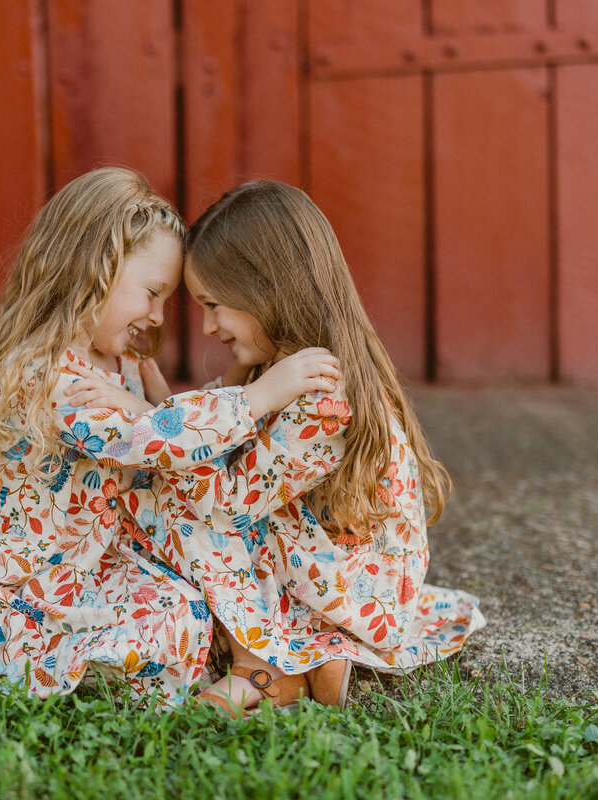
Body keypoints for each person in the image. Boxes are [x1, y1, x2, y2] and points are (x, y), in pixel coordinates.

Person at [0, 167, 340, 702]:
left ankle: (55, 663)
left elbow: (161, 423)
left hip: (93, 575)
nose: (156, 314)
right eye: (151, 292)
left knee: (178, 610)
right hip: (13, 572)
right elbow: (155, 440)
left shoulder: (121, 363)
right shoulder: (50, 373)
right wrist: (259, 397)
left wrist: (193, 394)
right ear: (91, 269)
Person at [65, 180, 485, 715]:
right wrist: (166, 406)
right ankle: (320, 659)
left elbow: (228, 499)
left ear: (267, 289)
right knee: (186, 477)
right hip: (331, 568)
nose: (209, 325)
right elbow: (231, 418)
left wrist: (144, 419)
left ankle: (265, 671)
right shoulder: (290, 362)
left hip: (357, 587)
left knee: (176, 496)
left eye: (214, 305)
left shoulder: (325, 392)